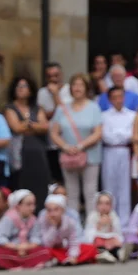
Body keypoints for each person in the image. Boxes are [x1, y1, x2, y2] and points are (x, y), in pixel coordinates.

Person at [49, 74, 104, 216]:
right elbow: (54, 132)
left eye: (81, 85)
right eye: (74, 85)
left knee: (90, 192)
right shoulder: (62, 109)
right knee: (71, 193)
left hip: (90, 155)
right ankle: (73, 224)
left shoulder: (94, 107)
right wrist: (65, 147)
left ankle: (91, 224)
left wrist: (80, 146)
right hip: (68, 155)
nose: (77, 88)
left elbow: (98, 133)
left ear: (86, 88)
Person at [4, 75, 51, 209]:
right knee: (22, 184)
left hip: (38, 153)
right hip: (20, 154)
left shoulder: (37, 108)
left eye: (24, 86)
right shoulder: (10, 108)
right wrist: (34, 125)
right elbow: (16, 128)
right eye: (18, 86)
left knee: (40, 185)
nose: (21, 89)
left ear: (30, 90)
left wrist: (28, 124)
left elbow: (45, 127)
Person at [0, 189, 54, 270]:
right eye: (28, 204)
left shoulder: (33, 220)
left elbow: (36, 238)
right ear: (18, 206)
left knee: (44, 251)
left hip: (27, 249)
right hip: (11, 248)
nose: (32, 208)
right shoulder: (9, 218)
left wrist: (26, 247)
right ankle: (19, 264)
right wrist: (17, 247)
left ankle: (25, 263)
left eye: (33, 204)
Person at [101, 85, 136, 224]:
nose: (118, 100)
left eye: (120, 96)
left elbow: (131, 135)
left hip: (124, 151)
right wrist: (122, 134)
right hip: (109, 151)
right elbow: (106, 136)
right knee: (109, 184)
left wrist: (118, 134)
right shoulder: (104, 116)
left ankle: (124, 221)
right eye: (114, 97)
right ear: (110, 99)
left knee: (124, 185)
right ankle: (110, 218)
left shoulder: (132, 115)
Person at [39, 194, 95, 266]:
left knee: (90, 248)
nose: (52, 214)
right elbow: (47, 244)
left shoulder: (69, 223)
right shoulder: (43, 220)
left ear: (63, 210)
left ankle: (64, 260)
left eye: (56, 209)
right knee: (44, 251)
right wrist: (54, 227)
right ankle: (58, 260)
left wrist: (73, 256)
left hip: (65, 250)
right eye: (49, 210)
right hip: (51, 250)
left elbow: (73, 242)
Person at [84, 191, 123, 264]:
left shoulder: (113, 215)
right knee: (97, 240)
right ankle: (103, 254)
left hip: (110, 240)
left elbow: (118, 233)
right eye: (101, 203)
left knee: (115, 240)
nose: (104, 206)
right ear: (97, 205)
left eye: (107, 203)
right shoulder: (93, 216)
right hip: (99, 239)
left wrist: (111, 224)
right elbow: (88, 234)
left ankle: (119, 253)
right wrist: (99, 225)